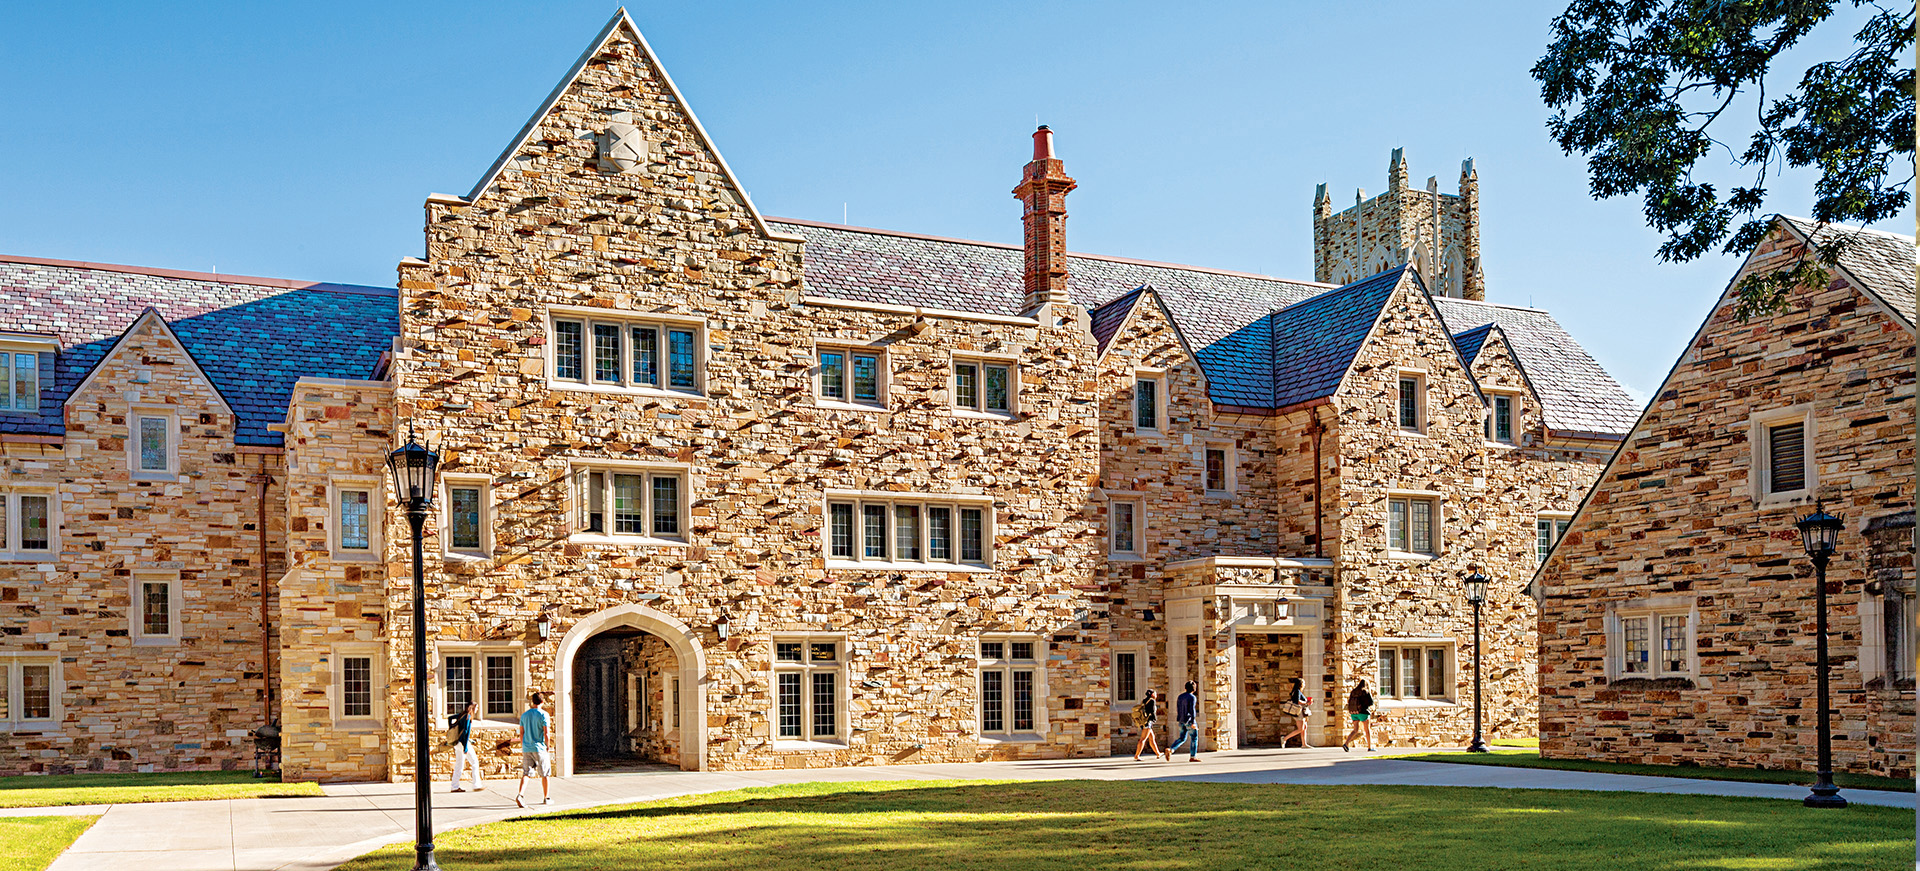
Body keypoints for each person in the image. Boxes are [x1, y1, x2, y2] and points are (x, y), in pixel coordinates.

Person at [515, 691, 551, 808]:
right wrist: (548, 745)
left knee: (526, 773)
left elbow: (521, 733)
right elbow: (546, 733)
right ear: (542, 701)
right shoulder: (543, 714)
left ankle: (520, 795)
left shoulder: (524, 715)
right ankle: (546, 797)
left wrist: (523, 745)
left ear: (532, 701)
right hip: (539, 747)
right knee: (544, 773)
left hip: (527, 747)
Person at [448, 701, 484, 792]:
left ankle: (454, 786)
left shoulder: (461, 715)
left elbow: (450, 718)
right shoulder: (468, 717)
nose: (477, 709)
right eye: (477, 707)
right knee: (474, 762)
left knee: (459, 765)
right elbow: (466, 732)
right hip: (463, 743)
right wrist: (466, 747)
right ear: (472, 708)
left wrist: (451, 726)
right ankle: (476, 785)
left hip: (457, 743)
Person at [1164, 680, 1201, 761]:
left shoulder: (1180, 696)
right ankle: (1193, 756)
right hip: (1189, 720)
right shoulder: (1192, 697)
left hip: (1181, 720)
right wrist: (1192, 722)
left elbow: (1178, 708)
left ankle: (1171, 749)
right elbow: (1192, 710)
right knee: (1194, 738)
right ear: (1194, 689)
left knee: (1182, 738)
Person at [1132, 689, 1168, 761]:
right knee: (1143, 739)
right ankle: (1137, 755)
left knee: (1152, 738)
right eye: (1155, 693)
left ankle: (1158, 753)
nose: (1156, 695)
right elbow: (1152, 712)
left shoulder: (1144, 700)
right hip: (1148, 722)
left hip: (1144, 722)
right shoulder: (1152, 701)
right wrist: (1154, 719)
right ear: (1152, 694)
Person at [1342, 679, 1376, 752]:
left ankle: (1346, 743)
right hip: (1363, 712)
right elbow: (1371, 702)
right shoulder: (1365, 691)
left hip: (1354, 713)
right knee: (1367, 730)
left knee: (1355, 730)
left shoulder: (1353, 691)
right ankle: (1370, 747)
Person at [1279, 676, 1313, 748]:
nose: (1305, 684)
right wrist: (1306, 702)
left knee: (1304, 727)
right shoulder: (1297, 691)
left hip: (1301, 712)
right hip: (1299, 712)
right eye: (1303, 683)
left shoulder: (1298, 691)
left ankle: (1304, 744)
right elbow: (1297, 701)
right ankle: (1284, 738)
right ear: (1301, 684)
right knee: (1300, 729)